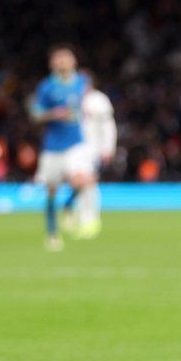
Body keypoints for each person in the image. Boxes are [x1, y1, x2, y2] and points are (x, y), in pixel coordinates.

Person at [29, 45, 94, 251]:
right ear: (52, 63)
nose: (62, 62)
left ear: (74, 61)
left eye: (66, 58)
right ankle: (52, 233)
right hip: (53, 146)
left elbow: (88, 99)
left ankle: (68, 205)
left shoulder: (83, 81)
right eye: (58, 59)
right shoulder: (47, 87)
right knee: (51, 191)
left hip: (76, 143)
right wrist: (52, 114)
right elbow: (35, 114)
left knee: (83, 180)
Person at [62, 70, 116, 238]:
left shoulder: (99, 100)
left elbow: (108, 126)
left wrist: (108, 147)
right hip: (72, 147)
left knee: (86, 181)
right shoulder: (71, 99)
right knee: (77, 182)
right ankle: (79, 215)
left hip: (91, 148)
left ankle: (89, 220)